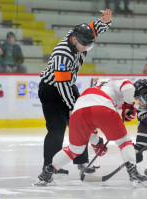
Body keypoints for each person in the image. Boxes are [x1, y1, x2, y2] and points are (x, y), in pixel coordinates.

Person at [38, 10, 112, 177]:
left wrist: (105, 22)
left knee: (81, 124)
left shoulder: (81, 36)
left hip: (68, 85)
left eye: (88, 45)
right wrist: (72, 106)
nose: (85, 48)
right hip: (51, 89)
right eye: (84, 45)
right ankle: (49, 166)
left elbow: (94, 29)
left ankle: (82, 162)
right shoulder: (62, 55)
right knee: (56, 128)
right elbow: (62, 85)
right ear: (73, 39)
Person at [34, 78, 147, 187]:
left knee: (74, 149)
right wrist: (130, 105)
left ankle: (46, 173)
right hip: (102, 109)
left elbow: (90, 130)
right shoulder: (113, 84)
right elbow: (128, 87)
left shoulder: (92, 90)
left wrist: (97, 143)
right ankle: (133, 173)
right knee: (124, 141)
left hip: (77, 113)